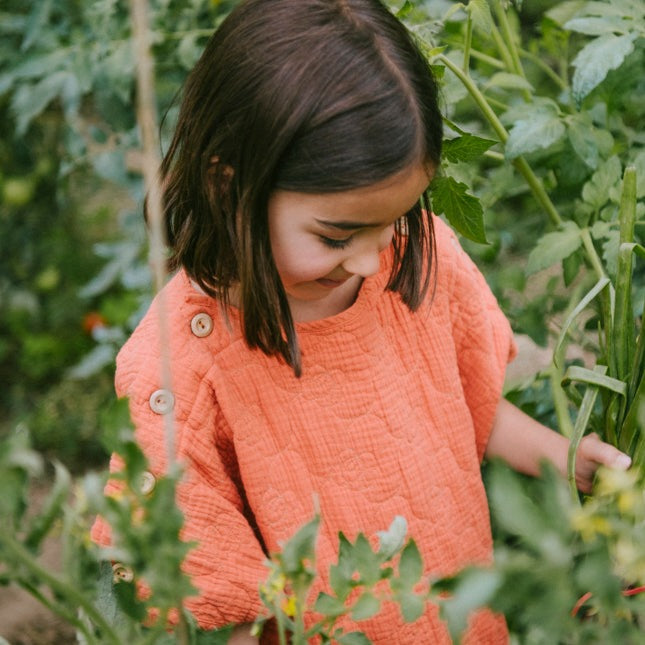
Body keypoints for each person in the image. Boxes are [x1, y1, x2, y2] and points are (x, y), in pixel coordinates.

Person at [92, 0, 632, 643]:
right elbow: (202, 584)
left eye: (392, 221)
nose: (372, 257)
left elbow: (467, 400)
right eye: (337, 234)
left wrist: (566, 458)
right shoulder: (182, 364)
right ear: (227, 184)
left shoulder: (412, 258)